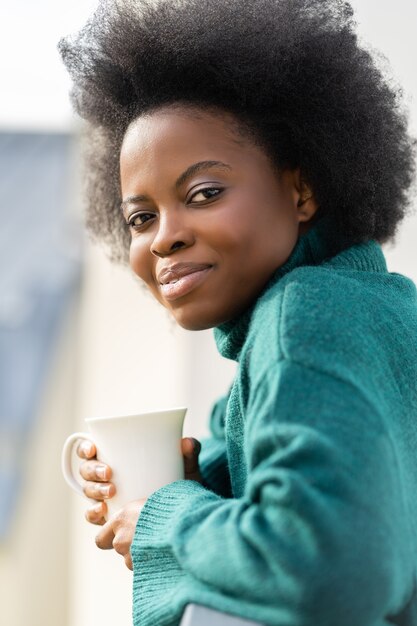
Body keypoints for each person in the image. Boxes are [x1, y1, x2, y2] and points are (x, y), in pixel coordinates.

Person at [59, 0, 417, 624]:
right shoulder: (371, 306)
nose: (164, 237)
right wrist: (189, 490)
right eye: (140, 218)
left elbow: (331, 569)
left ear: (301, 190)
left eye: (204, 193)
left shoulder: (306, 316)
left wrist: (165, 519)